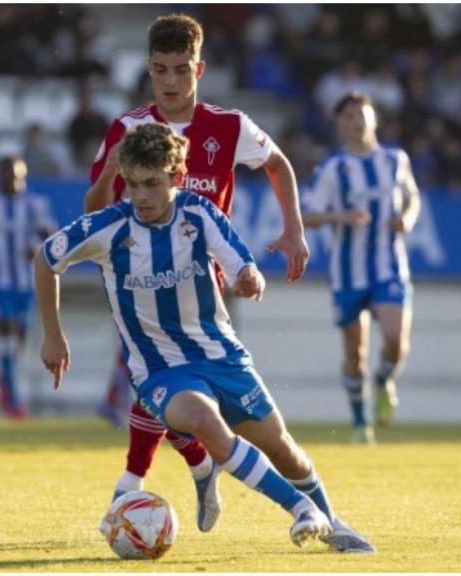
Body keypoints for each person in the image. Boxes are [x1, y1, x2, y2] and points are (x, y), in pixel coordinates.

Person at [37, 124, 374, 553]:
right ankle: (301, 509)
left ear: (176, 177)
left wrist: (249, 281)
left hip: (222, 356)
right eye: (134, 184)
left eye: (152, 184)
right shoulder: (110, 227)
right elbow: (46, 258)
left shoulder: (199, 213)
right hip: (160, 368)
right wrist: (53, 334)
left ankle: (333, 522)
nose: (141, 196)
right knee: (204, 423)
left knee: (283, 449)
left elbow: (240, 268)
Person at [83, 13, 310, 534]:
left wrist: (293, 229)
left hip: (206, 278)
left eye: (180, 69)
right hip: (141, 275)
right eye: (160, 70)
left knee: (179, 392)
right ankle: (140, 483)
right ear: (148, 69)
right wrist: (115, 166)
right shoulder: (128, 128)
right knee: (155, 378)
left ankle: (196, 467)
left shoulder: (228, 126)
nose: (170, 81)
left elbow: (278, 163)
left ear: (199, 68)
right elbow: (93, 206)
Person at [301, 92, 421, 445]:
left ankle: (383, 381)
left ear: (374, 118)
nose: (356, 120)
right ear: (339, 124)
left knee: (396, 341)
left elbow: (412, 197)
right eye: (348, 115)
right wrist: (339, 216)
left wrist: (408, 219)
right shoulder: (333, 168)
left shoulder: (396, 159)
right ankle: (359, 423)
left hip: (389, 266)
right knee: (355, 354)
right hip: (348, 272)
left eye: (361, 113)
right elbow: (307, 213)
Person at [0, 157, 57, 419]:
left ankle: (6, 380)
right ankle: (13, 399)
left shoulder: (36, 205)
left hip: (27, 284)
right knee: (8, 331)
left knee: (16, 342)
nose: (14, 182)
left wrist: (38, 250)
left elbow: (51, 238)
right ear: (0, 177)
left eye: (18, 177)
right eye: (8, 177)